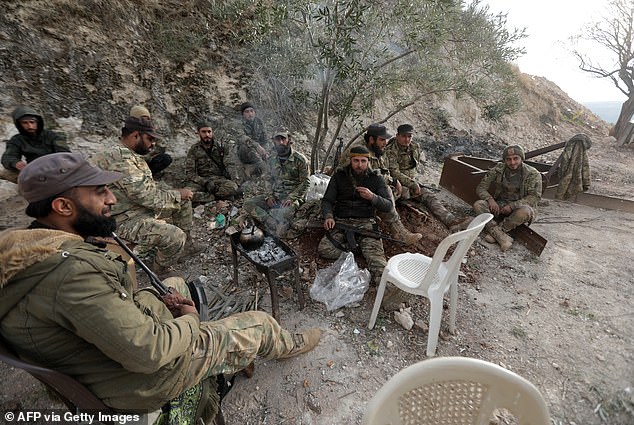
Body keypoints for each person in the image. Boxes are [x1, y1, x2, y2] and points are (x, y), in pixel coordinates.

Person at [0, 152, 321, 419]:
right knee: (261, 323)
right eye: (99, 192)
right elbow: (149, 353)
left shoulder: (28, 250)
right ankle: (285, 343)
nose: (112, 198)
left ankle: (219, 345)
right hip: (143, 380)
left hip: (96, 357)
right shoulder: (72, 274)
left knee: (175, 284)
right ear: (62, 207)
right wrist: (190, 322)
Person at [91, 116, 202, 275]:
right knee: (175, 236)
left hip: (134, 209)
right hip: (120, 219)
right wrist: (176, 194)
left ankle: (185, 248)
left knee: (183, 202)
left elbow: (147, 187)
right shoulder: (120, 158)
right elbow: (145, 196)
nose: (153, 143)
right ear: (135, 136)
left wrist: (176, 195)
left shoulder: (128, 155)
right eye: (150, 138)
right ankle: (160, 270)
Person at [319, 146, 407, 310]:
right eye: (356, 161)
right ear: (350, 160)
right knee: (325, 249)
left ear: (368, 161)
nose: (359, 164)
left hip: (366, 222)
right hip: (342, 221)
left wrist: (372, 197)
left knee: (376, 257)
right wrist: (328, 216)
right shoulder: (339, 176)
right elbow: (327, 201)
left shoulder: (376, 178)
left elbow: (388, 205)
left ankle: (388, 290)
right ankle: (355, 252)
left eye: (363, 161)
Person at [340, 124, 422, 245]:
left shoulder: (376, 149)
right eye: (382, 139)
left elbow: (384, 170)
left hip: (367, 188)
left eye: (386, 139)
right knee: (386, 191)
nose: (385, 142)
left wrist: (394, 181)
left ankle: (376, 213)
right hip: (351, 190)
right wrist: (391, 182)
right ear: (372, 139)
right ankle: (399, 233)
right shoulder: (359, 151)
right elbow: (367, 176)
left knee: (397, 191)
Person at [386, 124, 470, 231]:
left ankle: (451, 221)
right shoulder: (390, 151)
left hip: (411, 183)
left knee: (430, 196)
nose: (407, 139)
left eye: (409, 136)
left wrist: (414, 183)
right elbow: (394, 172)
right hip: (397, 184)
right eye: (403, 136)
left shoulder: (415, 147)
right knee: (400, 196)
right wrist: (412, 184)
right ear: (397, 136)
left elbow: (414, 167)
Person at [473, 145, 542, 251]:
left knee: (524, 212)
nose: (512, 162)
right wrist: (490, 200)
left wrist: (512, 206)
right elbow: (481, 187)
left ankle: (500, 230)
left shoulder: (532, 174)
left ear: (521, 158)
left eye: (516, 158)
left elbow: (534, 197)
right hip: (500, 204)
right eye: (508, 159)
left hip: (519, 207)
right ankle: (500, 236)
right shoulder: (499, 169)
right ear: (504, 160)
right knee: (478, 205)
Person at [243, 130, 310, 236]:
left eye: (283, 139)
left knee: (285, 213)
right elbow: (268, 180)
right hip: (276, 196)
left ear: (289, 140)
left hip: (292, 198)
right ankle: (269, 220)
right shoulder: (272, 159)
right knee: (248, 204)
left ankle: (273, 218)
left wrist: (291, 198)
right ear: (273, 141)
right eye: (278, 139)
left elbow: (306, 183)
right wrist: (269, 196)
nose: (281, 142)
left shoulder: (300, 160)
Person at [1, 106, 70, 183]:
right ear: (19, 124)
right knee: (6, 172)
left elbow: (65, 154)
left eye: (32, 122)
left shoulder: (53, 136)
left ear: (38, 122)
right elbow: (8, 157)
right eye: (25, 123)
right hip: (33, 171)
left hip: (56, 169)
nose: (30, 126)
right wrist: (16, 163)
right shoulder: (17, 139)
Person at [185, 120, 241, 203]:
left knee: (233, 187)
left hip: (219, 180)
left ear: (212, 132)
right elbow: (190, 173)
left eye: (209, 132)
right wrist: (205, 183)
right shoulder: (194, 150)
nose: (207, 135)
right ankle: (215, 197)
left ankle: (208, 197)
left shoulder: (221, 147)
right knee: (187, 193)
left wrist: (236, 181)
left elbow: (230, 165)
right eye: (203, 132)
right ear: (198, 133)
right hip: (201, 181)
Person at [129, 105, 172, 179]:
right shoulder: (129, 134)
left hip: (144, 161)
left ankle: (149, 176)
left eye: (147, 119)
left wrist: (152, 153)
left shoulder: (149, 131)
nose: (145, 122)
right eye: (142, 119)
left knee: (165, 158)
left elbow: (154, 147)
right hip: (132, 162)